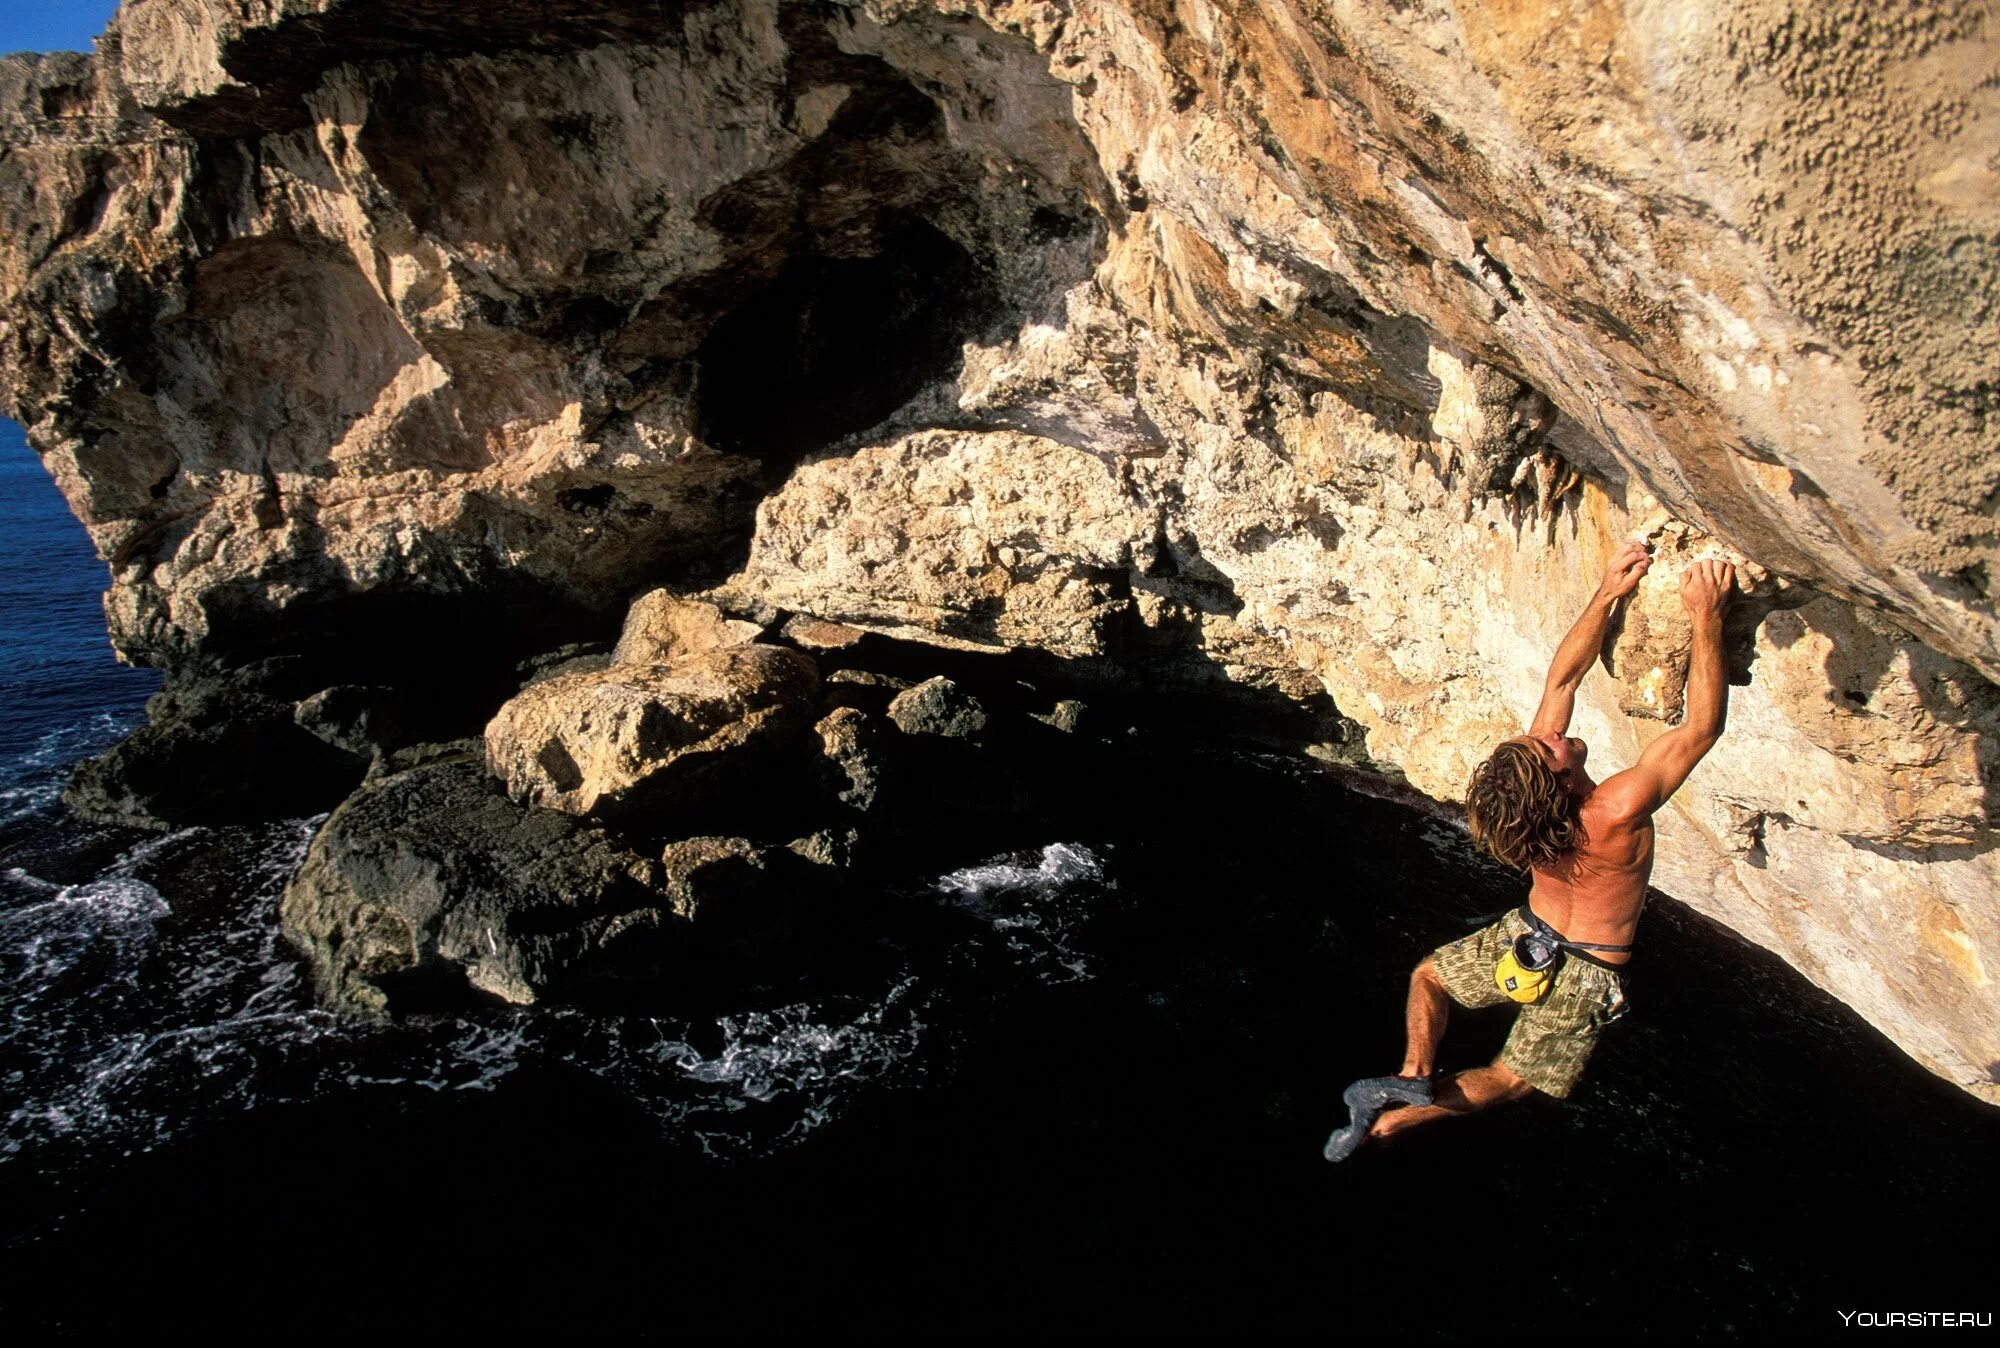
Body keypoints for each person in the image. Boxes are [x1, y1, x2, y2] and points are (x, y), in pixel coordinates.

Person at [1324, 542, 1735, 1161]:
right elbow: (1701, 729)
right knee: (1515, 1075)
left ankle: (1411, 1074)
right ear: (1563, 784)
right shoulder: (1614, 810)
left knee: (1431, 976)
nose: (1557, 736)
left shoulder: (1526, 814)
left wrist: (1607, 593)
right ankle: (1397, 1123)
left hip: (1528, 934)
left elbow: (1563, 677)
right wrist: (1707, 616)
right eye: (1552, 748)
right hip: (1587, 972)